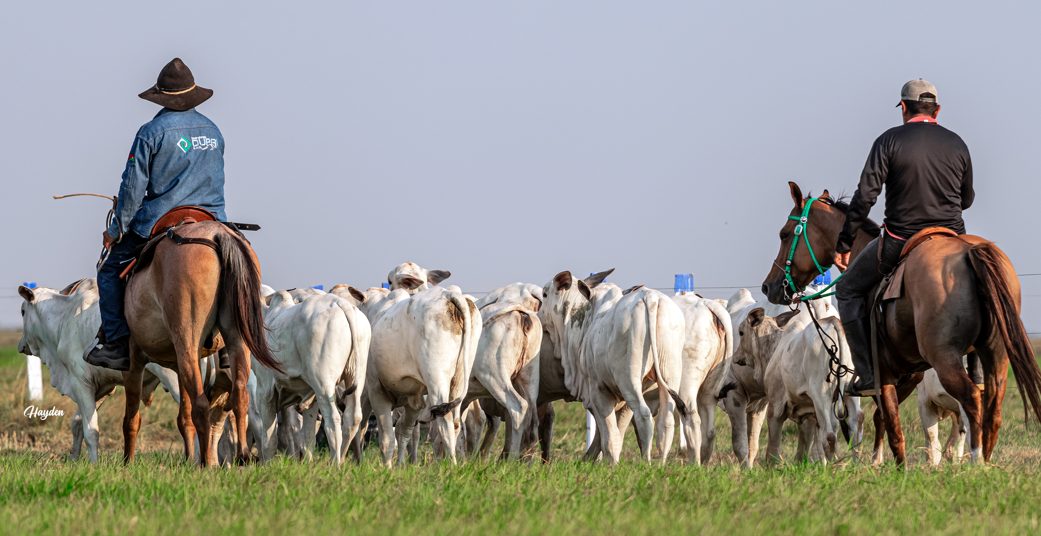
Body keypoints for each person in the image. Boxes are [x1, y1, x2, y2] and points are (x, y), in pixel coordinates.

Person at [84, 58, 227, 371]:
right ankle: (232, 339)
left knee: (109, 268)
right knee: (237, 261)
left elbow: (132, 187)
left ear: (161, 97)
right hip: (213, 219)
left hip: (163, 218)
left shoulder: (150, 132)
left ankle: (117, 343)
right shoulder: (213, 131)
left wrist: (117, 229)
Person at [833, 79, 974, 396]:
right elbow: (967, 199)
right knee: (980, 278)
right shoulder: (957, 143)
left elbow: (865, 197)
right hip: (953, 236)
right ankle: (976, 368)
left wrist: (844, 244)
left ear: (904, 108)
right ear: (937, 110)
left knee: (847, 290)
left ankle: (868, 375)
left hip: (901, 239)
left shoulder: (888, 141)